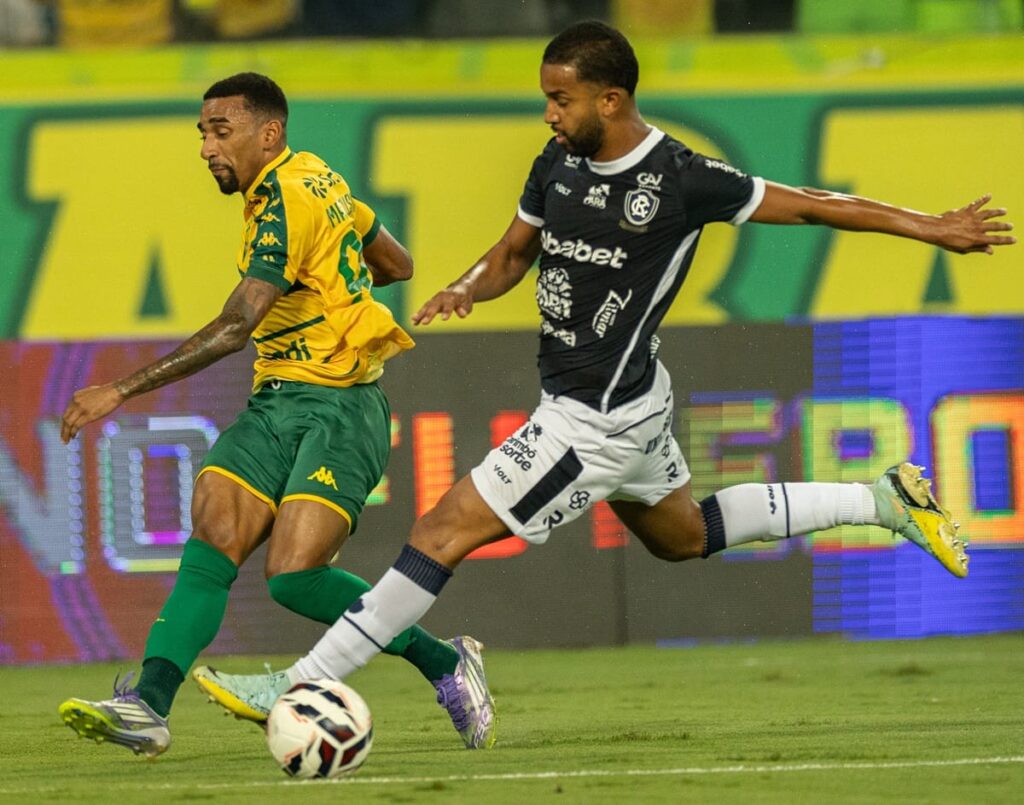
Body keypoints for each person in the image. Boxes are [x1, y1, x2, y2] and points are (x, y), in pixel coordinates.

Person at [194, 22, 1016, 743]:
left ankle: (303, 680)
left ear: (612, 99)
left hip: (592, 421)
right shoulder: (557, 162)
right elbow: (514, 250)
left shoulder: (683, 178)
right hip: (634, 400)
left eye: (563, 99)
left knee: (441, 531)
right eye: (547, 98)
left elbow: (811, 205)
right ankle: (884, 500)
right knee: (682, 535)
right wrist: (468, 286)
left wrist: (931, 227)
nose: (550, 114)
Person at [57, 72, 494, 757]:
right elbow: (397, 262)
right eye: (201, 132)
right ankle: (146, 703)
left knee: (294, 575)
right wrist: (337, 271)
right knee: (215, 528)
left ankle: (445, 661)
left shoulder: (289, 199)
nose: (206, 147)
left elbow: (237, 325)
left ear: (270, 132)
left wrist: (120, 388)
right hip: (275, 401)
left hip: (342, 406)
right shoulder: (315, 179)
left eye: (220, 131)